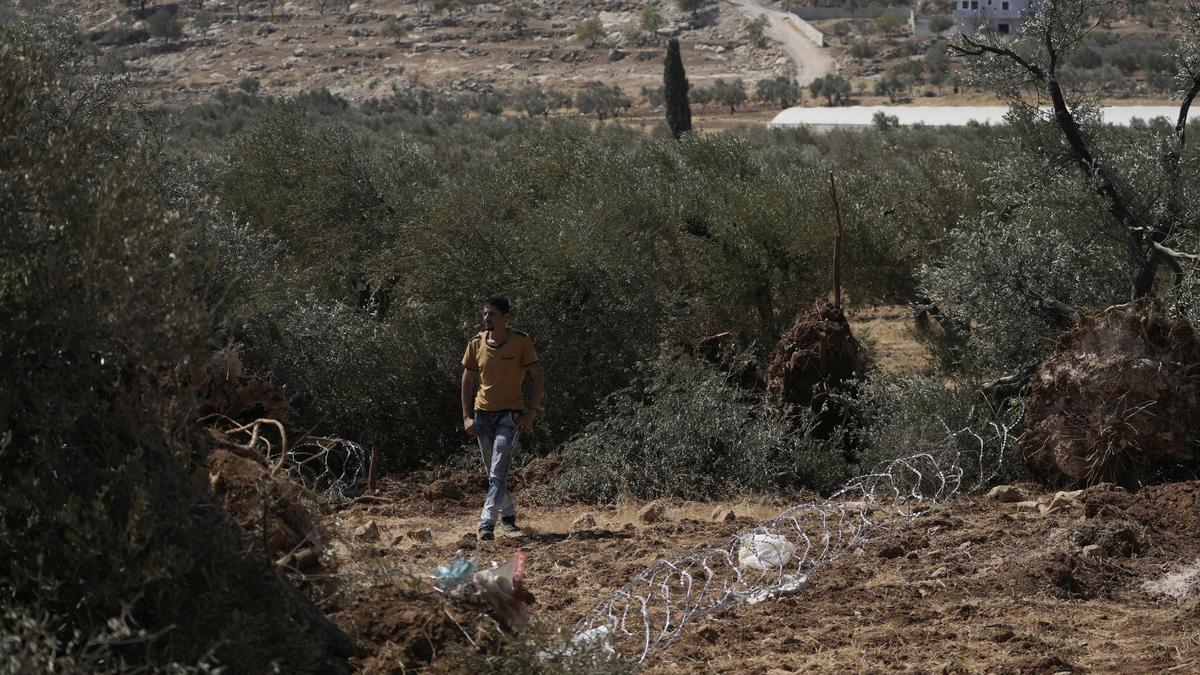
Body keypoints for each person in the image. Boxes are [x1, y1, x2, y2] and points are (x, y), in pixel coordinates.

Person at [461, 295, 544, 541]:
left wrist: (532, 411)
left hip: (509, 418)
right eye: (485, 314)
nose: (487, 318)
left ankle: (486, 522)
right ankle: (508, 516)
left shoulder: (521, 342)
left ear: (505, 318)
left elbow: (537, 375)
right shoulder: (476, 342)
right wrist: (466, 416)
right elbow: (467, 380)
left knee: (498, 472)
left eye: (492, 314)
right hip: (481, 417)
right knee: (493, 473)